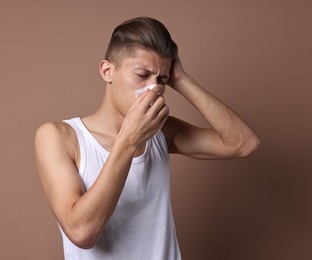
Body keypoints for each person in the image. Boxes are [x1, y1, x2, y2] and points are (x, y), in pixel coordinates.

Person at [35, 17, 260, 260]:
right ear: (107, 71)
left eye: (161, 80)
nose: (154, 89)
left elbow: (243, 143)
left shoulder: (161, 132)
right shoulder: (59, 136)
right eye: (142, 75)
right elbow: (82, 232)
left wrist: (181, 79)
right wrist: (128, 140)